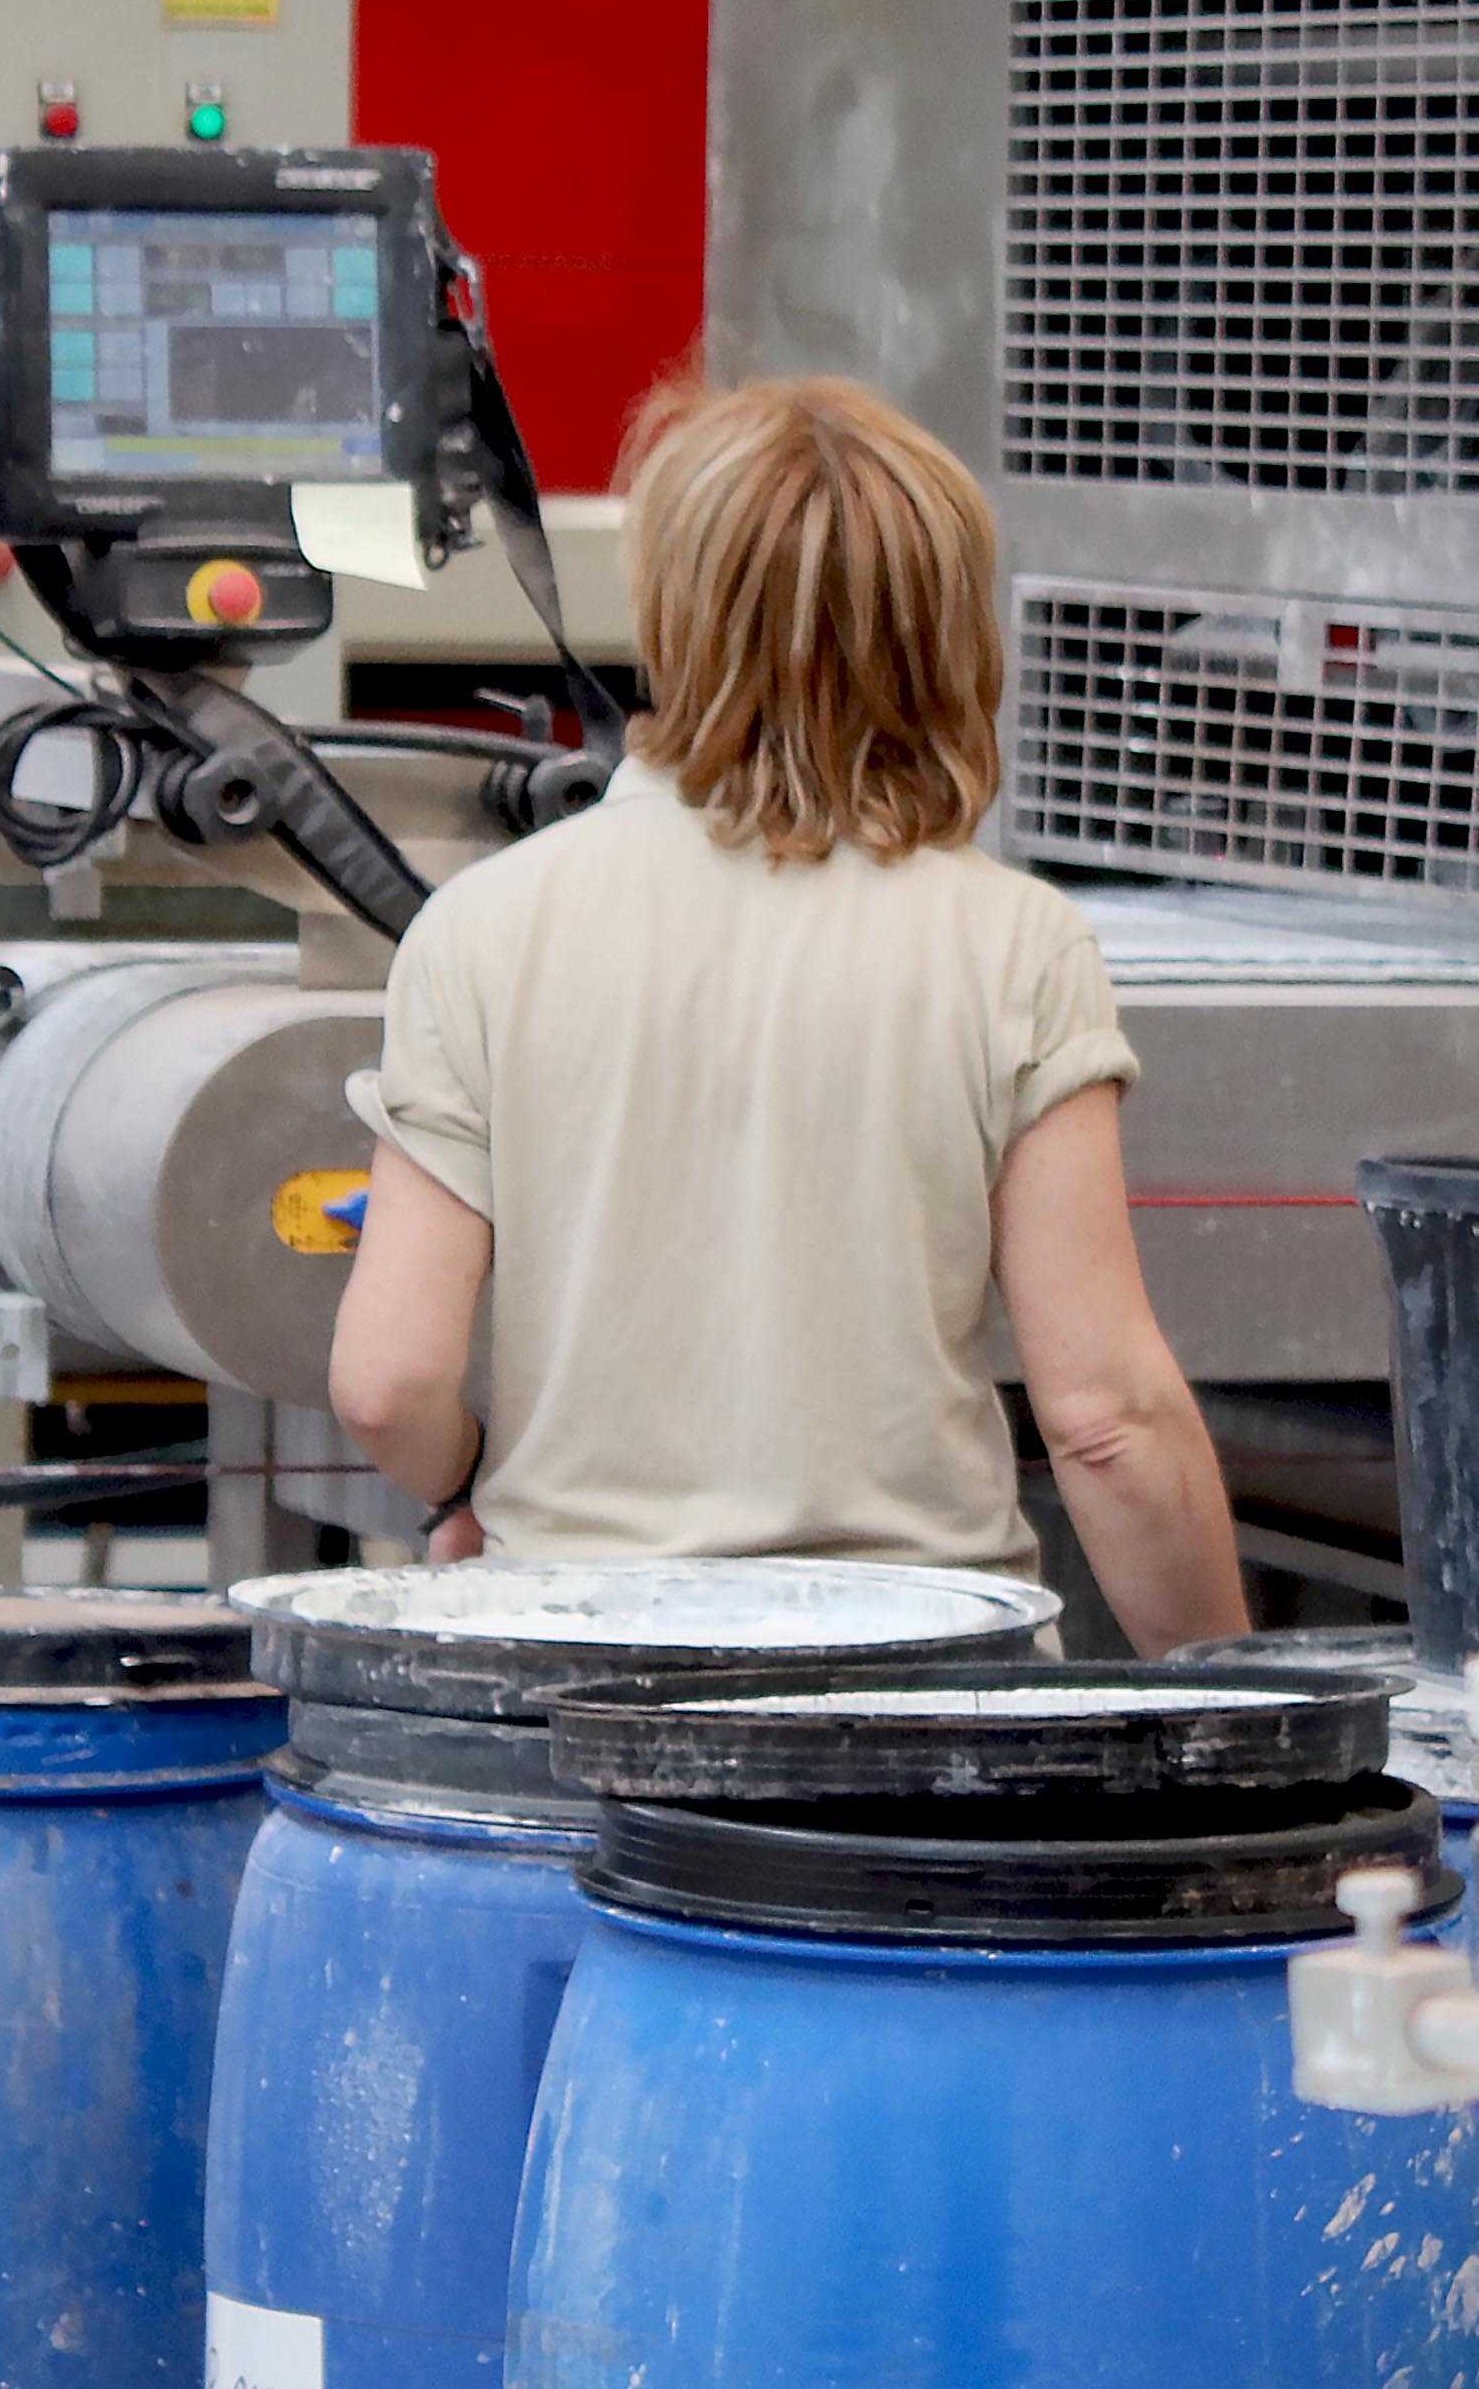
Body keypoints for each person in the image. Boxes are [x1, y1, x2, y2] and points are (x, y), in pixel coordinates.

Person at [323, 373, 1250, 1656]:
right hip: (921, 1695)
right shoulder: (1013, 944)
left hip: (580, 1677)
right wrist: (1229, 1701)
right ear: (945, 633)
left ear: (672, 607)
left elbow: (387, 1381)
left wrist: (466, 1484)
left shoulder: (485, 928)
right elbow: (1105, 1419)